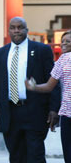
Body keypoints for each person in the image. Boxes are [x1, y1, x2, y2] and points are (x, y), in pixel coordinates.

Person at [0, 17, 61, 163]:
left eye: (20, 27)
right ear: (8, 30)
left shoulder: (41, 50)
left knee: (35, 155)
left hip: (34, 110)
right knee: (16, 156)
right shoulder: (0, 54)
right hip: (10, 113)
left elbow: (53, 81)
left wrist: (54, 109)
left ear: (26, 30)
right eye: (13, 27)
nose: (16, 30)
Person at [25, 30, 71, 162]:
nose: (63, 44)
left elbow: (49, 86)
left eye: (68, 41)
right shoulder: (62, 60)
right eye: (62, 41)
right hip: (67, 114)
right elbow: (50, 86)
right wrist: (33, 87)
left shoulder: (63, 60)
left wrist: (33, 87)